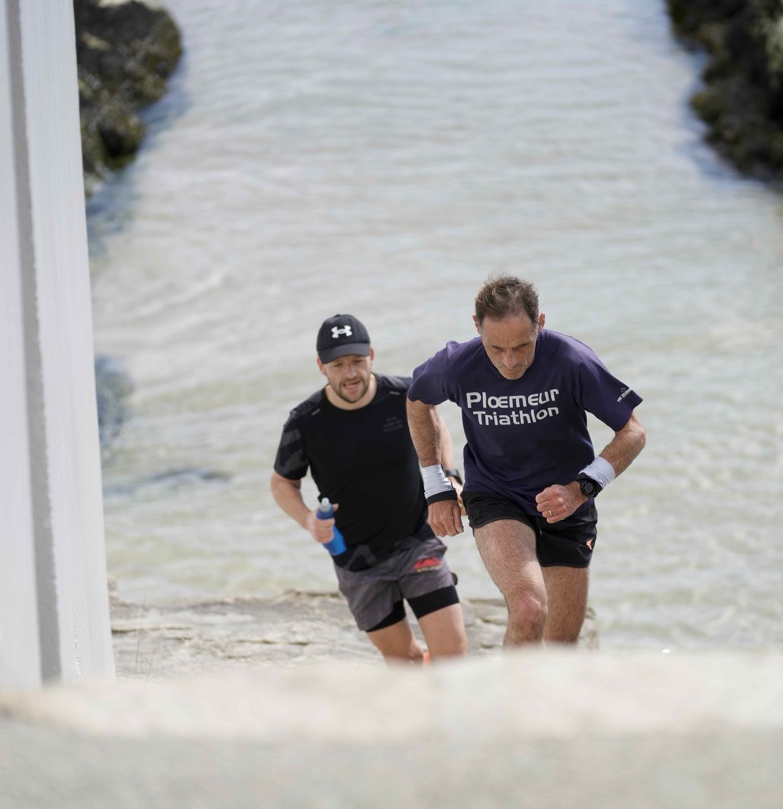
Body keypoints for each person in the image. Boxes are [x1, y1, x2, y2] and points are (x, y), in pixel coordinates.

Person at [406, 275, 646, 647]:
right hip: (495, 494)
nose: (510, 361)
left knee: (560, 648)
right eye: (496, 348)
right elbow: (417, 402)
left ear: (541, 323)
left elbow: (633, 432)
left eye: (522, 346)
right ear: (477, 326)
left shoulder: (571, 360)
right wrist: (436, 487)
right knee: (529, 606)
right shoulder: (457, 365)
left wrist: (581, 488)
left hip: (566, 503)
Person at [270, 314, 469, 663]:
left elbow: (437, 428)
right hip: (356, 560)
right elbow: (282, 482)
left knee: (452, 657)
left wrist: (448, 477)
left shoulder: (405, 396)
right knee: (405, 662)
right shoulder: (305, 422)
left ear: (371, 356)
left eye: (357, 361)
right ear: (321, 366)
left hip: (416, 540)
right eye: (338, 364)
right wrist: (308, 521)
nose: (350, 373)